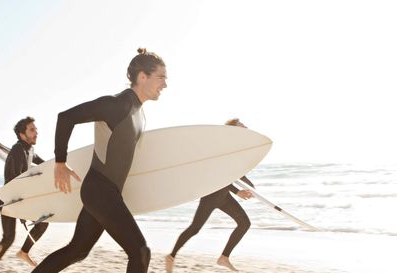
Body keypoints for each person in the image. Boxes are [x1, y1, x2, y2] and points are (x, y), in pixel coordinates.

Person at [31, 48, 167, 273]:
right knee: (141, 251)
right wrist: (60, 163)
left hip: (107, 192)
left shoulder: (139, 113)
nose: (165, 84)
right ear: (143, 76)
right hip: (100, 190)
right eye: (161, 77)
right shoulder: (117, 105)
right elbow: (66, 118)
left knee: (78, 250)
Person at [165, 118, 257, 272]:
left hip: (224, 196)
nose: (245, 125)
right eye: (241, 124)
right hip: (212, 195)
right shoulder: (224, 149)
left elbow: (237, 174)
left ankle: (224, 258)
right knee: (195, 228)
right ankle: (171, 256)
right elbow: (219, 175)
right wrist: (237, 191)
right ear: (233, 130)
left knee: (244, 223)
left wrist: (251, 187)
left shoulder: (237, 151)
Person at [0, 116, 49, 271]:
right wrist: (21, 211)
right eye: (32, 130)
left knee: (42, 223)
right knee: (9, 237)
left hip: (19, 198)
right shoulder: (18, 149)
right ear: (22, 134)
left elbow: (46, 164)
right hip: (10, 199)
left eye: (36, 129)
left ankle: (22, 252)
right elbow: (14, 179)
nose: (36, 133)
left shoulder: (29, 149)